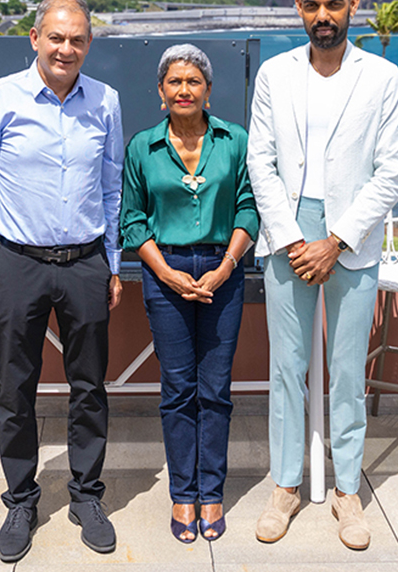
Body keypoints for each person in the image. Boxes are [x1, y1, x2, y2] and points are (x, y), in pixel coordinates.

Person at [246, 0, 398, 550]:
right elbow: (259, 162)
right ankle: (286, 486)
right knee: (287, 367)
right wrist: (294, 239)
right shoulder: (274, 73)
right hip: (289, 232)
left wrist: (335, 240)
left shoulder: (383, 77)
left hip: (352, 237)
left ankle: (347, 491)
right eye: (313, 6)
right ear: (298, 7)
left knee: (345, 372)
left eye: (334, 5)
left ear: (354, 4)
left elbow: (391, 170)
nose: (323, 16)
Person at [0, 0, 124, 563]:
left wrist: (114, 262)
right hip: (17, 262)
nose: (65, 49)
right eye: (56, 38)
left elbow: (112, 188)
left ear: (88, 45)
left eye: (77, 40)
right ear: (35, 39)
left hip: (85, 262)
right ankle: (22, 500)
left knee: (90, 387)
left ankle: (86, 495)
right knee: (15, 389)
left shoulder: (106, 101)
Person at [120, 44, 258, 544]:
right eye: (174, 82)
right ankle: (183, 494)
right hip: (165, 271)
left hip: (225, 269)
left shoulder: (234, 140)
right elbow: (132, 221)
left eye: (193, 81)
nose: (184, 90)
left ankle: (212, 492)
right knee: (178, 389)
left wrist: (224, 268)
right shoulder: (142, 148)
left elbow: (248, 208)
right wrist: (168, 274)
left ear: (208, 90)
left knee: (215, 389)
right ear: (161, 92)